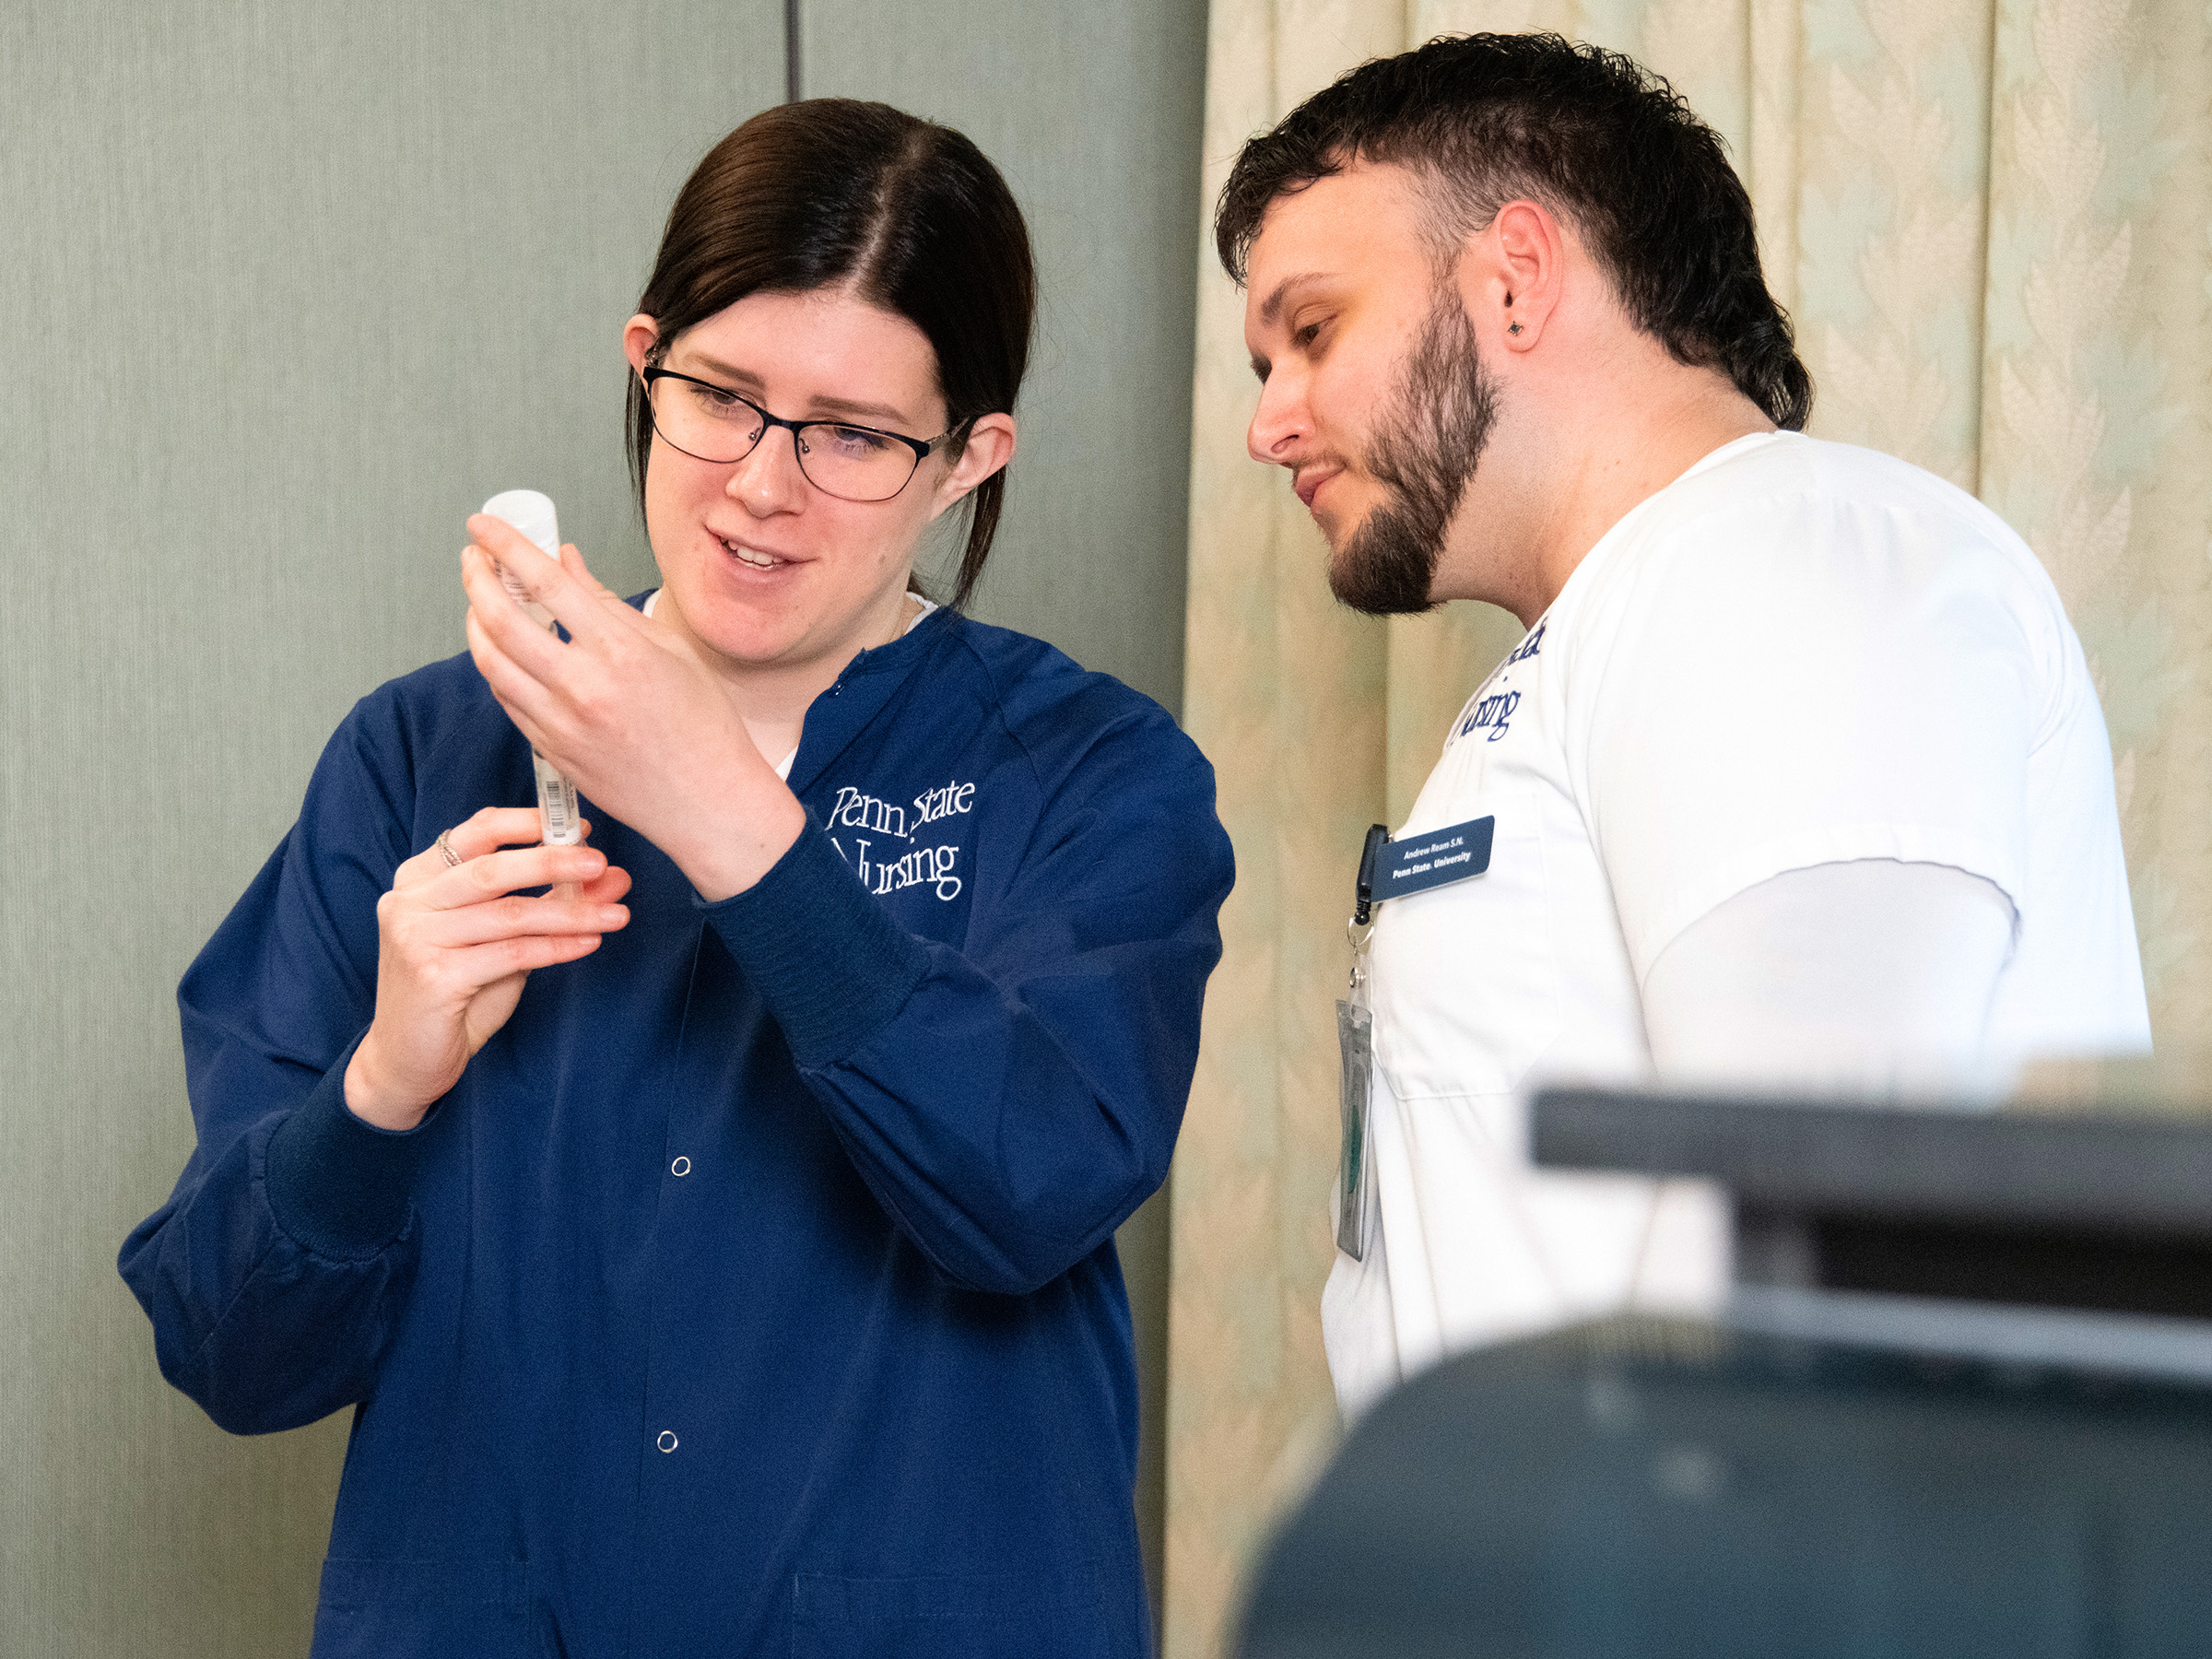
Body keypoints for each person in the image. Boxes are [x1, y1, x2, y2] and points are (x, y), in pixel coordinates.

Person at [122, 99, 1231, 1657]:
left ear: (968, 458)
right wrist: (379, 1085)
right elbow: (234, 1354)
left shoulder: (1091, 775)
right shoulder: (418, 760)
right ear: (647, 360)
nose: (761, 484)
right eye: (717, 395)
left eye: (853, 434)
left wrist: (730, 820)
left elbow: (1028, 1190)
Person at [1217, 33, 2148, 1418]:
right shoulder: (1626, 618)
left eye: (1313, 331)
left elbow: (1804, 1266)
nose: (1270, 424)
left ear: (1515, 280)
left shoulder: (1779, 567)